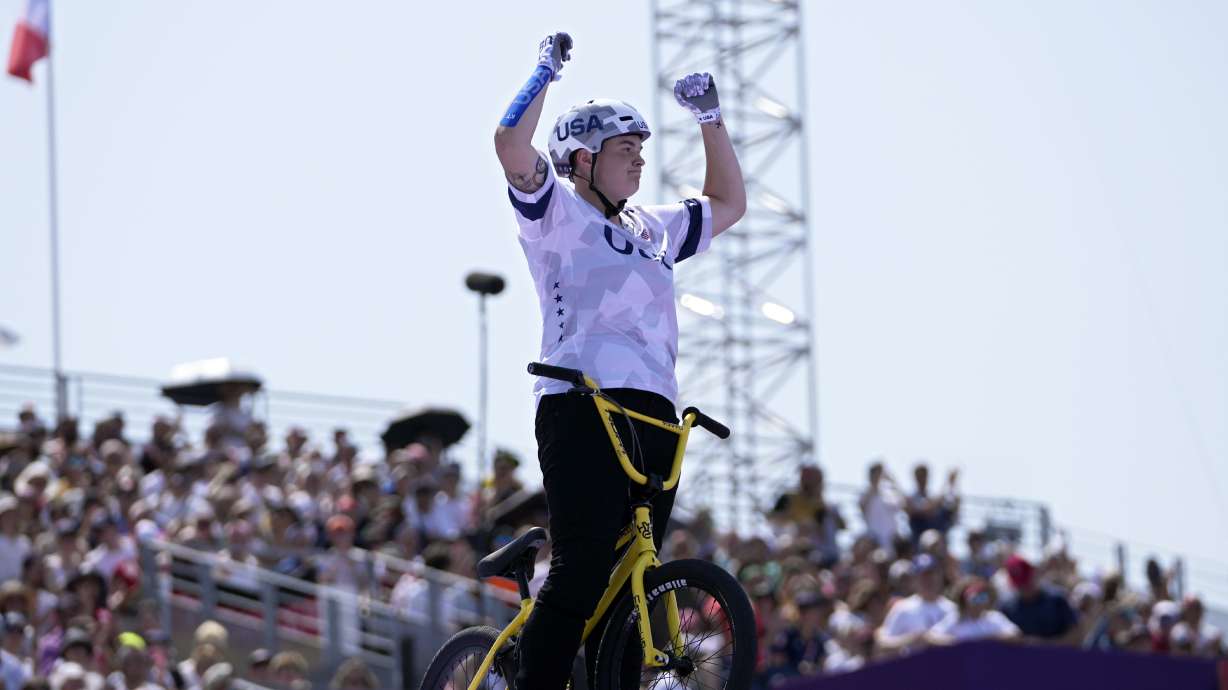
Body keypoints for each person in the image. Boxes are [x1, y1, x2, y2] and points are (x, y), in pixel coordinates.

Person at [494, 31, 745, 689]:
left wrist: (710, 122)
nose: (637, 163)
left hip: (656, 409)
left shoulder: (652, 227)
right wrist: (544, 70)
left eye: (641, 150)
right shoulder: (554, 211)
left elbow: (728, 205)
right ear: (581, 159)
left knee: (640, 577)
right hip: (582, 400)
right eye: (624, 151)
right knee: (582, 567)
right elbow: (509, 145)